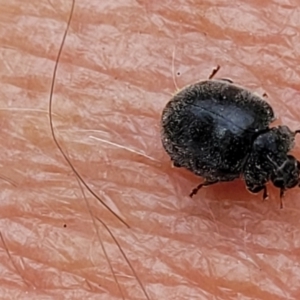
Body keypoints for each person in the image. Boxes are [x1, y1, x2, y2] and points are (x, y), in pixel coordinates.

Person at [1, 1, 299, 299]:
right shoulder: (234, 164)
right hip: (187, 120)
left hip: (195, 110)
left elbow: (221, 122)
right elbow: (204, 167)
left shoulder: (258, 116)